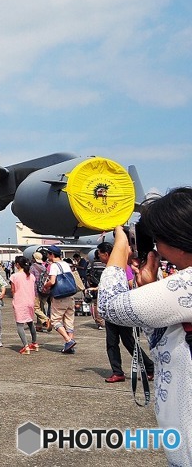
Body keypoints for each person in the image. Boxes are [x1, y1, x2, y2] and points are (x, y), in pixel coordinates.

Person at [99, 189, 192, 467]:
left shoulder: (186, 284)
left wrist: (119, 247)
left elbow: (108, 305)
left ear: (180, 241)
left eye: (158, 237)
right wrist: (150, 288)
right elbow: (168, 337)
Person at [91, 242, 154, 384]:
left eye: (100, 254)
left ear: (106, 254)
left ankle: (149, 367)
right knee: (113, 342)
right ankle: (117, 372)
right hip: (111, 311)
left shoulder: (121, 267)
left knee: (128, 342)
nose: (99, 257)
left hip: (120, 311)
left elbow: (132, 284)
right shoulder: (110, 269)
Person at [40, 246, 78, 353]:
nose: (47, 256)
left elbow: (52, 281)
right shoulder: (65, 264)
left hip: (60, 297)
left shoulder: (54, 266)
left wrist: (45, 286)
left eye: (48, 254)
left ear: (52, 254)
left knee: (55, 321)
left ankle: (68, 340)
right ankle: (70, 346)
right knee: (69, 321)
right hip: (70, 296)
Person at [8, 256, 38, 353]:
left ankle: (25, 346)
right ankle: (34, 343)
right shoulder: (31, 276)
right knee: (30, 322)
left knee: (20, 325)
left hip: (20, 301)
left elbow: (13, 290)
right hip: (30, 301)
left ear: (17, 264)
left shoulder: (14, 276)